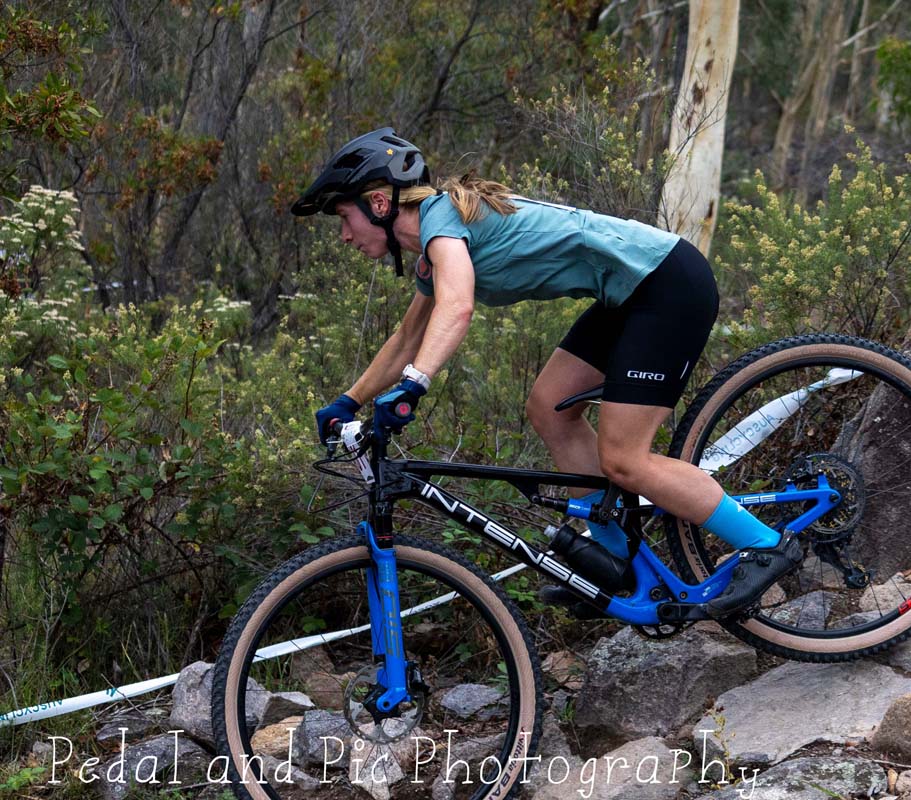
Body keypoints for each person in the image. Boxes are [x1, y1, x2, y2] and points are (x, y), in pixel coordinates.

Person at [292, 127, 803, 618]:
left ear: (378, 204)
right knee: (550, 407)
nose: (344, 235)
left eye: (344, 218)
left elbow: (458, 306)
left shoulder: (441, 221)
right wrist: (349, 400)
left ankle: (767, 545)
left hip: (666, 285)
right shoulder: (433, 249)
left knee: (625, 460)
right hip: (628, 296)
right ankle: (615, 561)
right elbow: (408, 337)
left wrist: (414, 385)